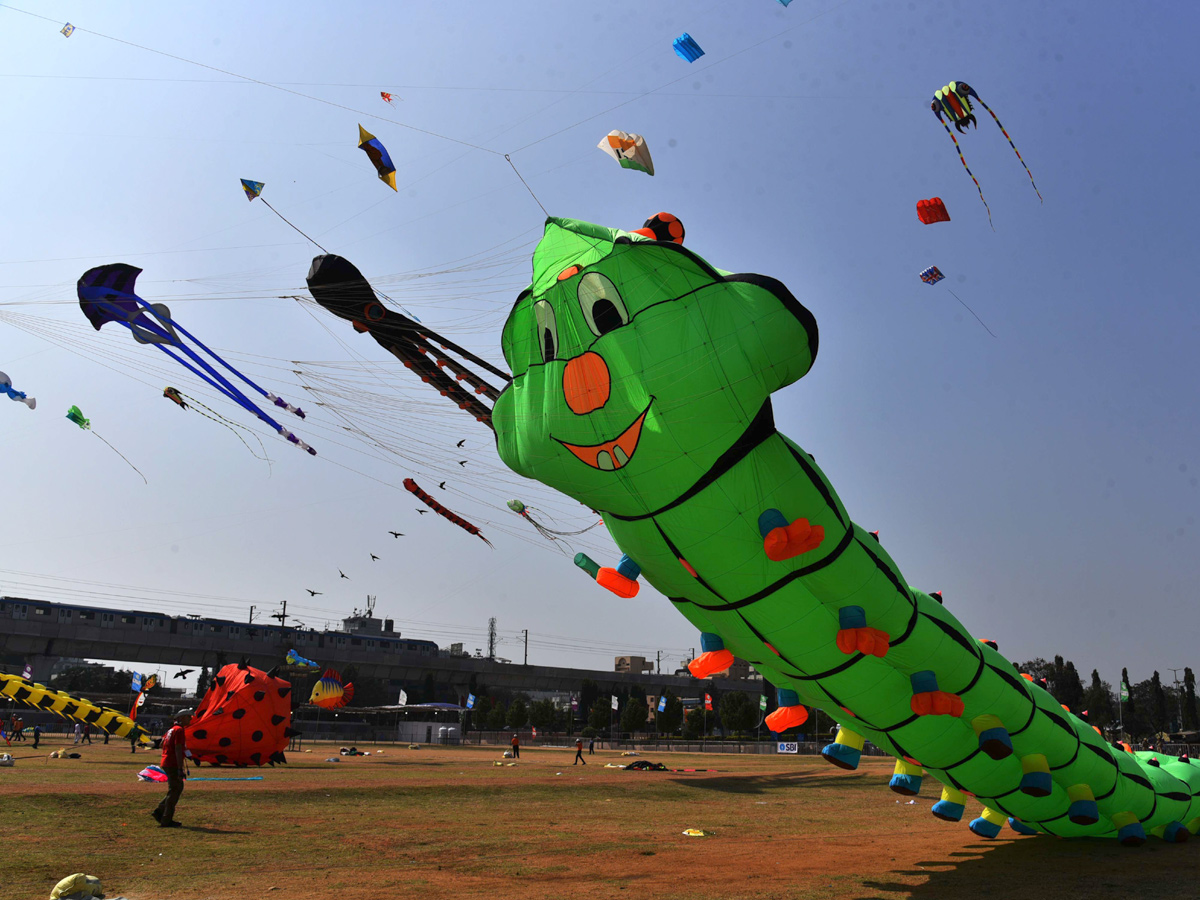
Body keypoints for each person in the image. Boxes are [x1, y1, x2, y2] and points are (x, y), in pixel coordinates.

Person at [152, 708, 193, 828]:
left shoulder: (171, 729)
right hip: (172, 763)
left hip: (166, 761)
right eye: (188, 717)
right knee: (175, 790)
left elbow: (161, 744)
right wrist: (180, 768)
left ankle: (160, 811)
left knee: (175, 789)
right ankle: (165, 818)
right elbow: (178, 749)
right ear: (181, 718)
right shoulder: (179, 730)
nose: (190, 719)